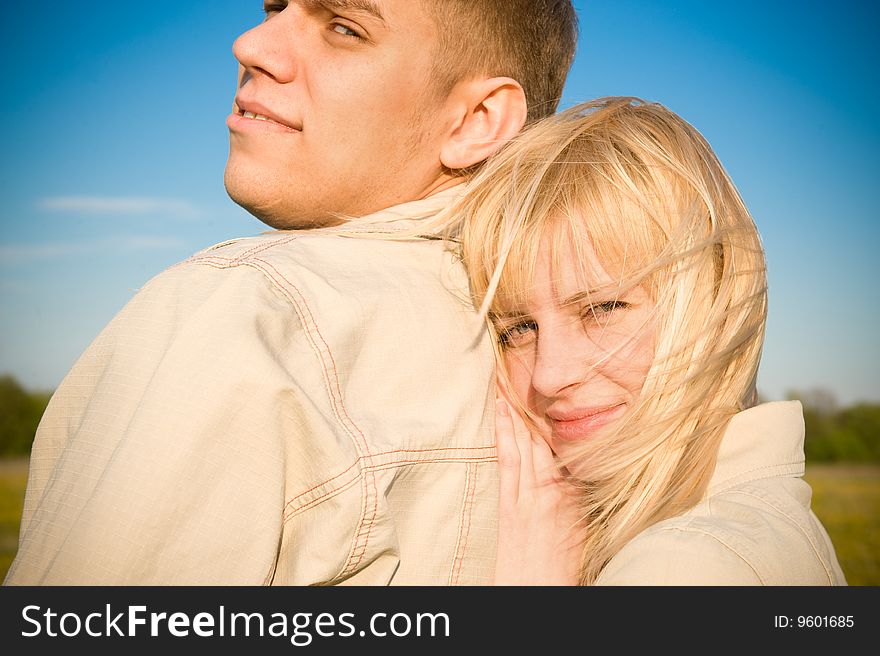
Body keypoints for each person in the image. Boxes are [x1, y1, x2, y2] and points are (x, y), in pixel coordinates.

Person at [5, 1, 578, 585]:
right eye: (275, 7)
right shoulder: (602, 363)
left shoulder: (249, 311)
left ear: (477, 119)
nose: (251, 45)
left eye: (343, 28)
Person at [453, 97, 846, 585]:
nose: (550, 375)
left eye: (602, 309)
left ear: (713, 297)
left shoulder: (688, 564)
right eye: (517, 329)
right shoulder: (739, 526)